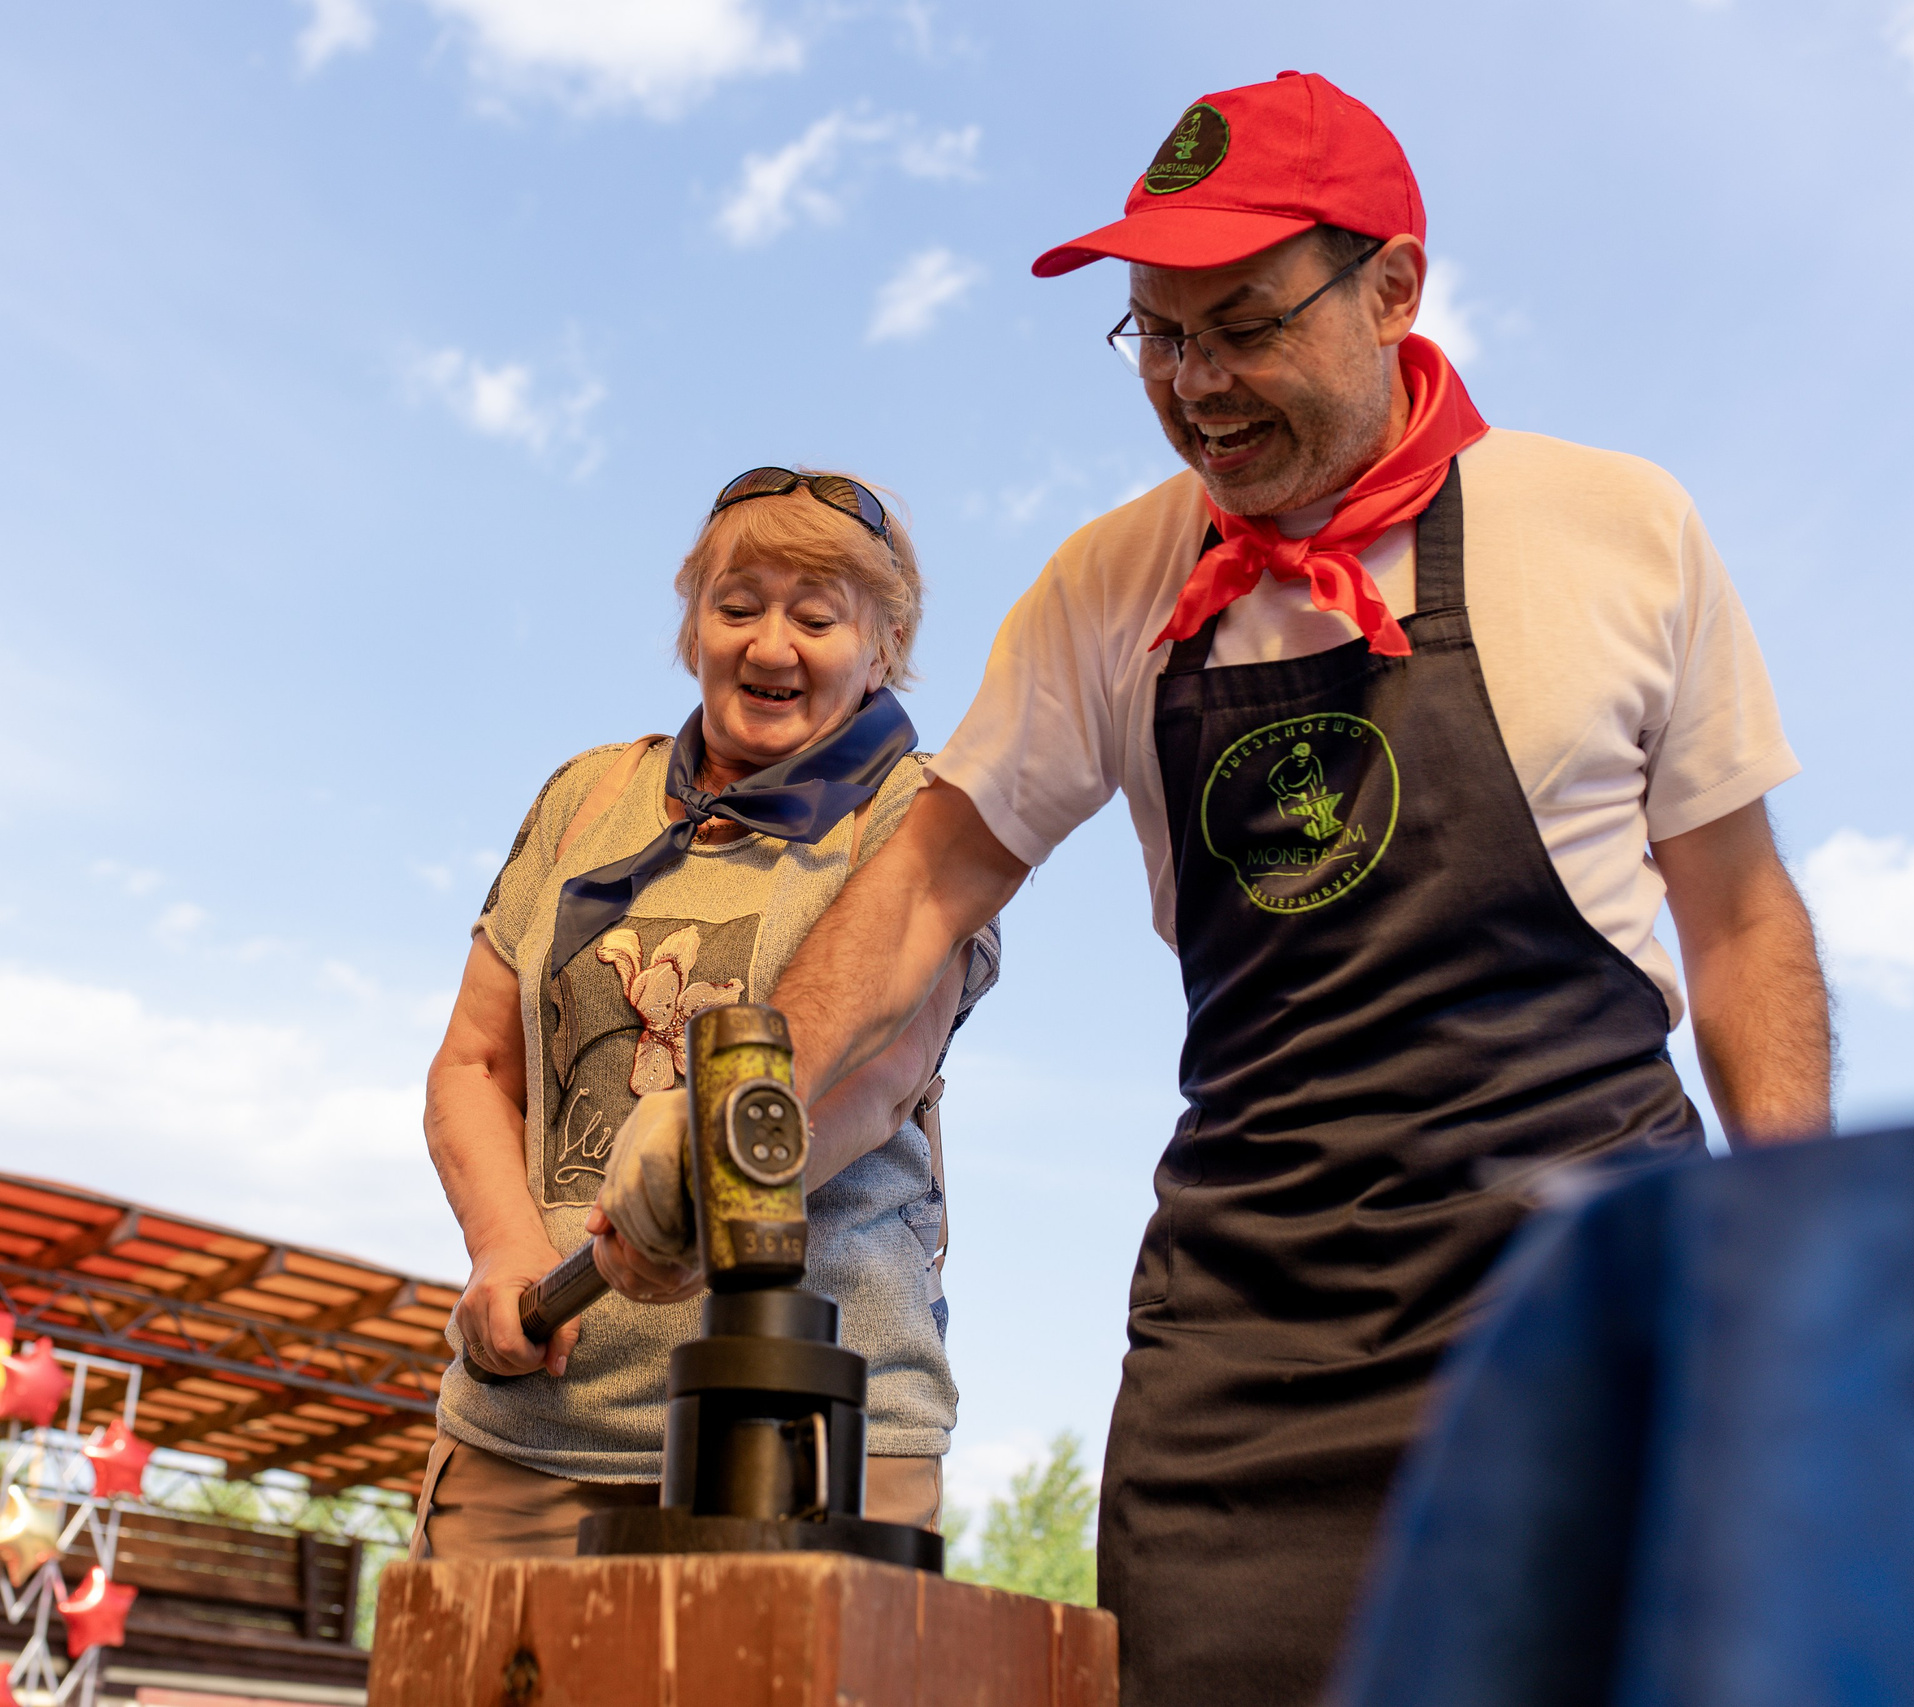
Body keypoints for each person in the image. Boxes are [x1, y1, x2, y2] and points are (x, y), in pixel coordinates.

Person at [740, 71, 1832, 1707]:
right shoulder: (1113, 583)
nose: (1195, 386)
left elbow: (1740, 921)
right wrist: (738, 1103)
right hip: (1249, 1366)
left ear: (1394, 282)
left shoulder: (1615, 529)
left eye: (1241, 325)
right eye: (1156, 336)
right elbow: (919, 889)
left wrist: (1803, 1252)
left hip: (1591, 1312)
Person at [415, 467, 1000, 1559]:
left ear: (884, 644)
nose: (769, 646)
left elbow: (874, 1076)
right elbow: (471, 1068)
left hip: (811, 1442)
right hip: (535, 1427)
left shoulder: (924, 817)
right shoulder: (586, 794)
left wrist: (704, 1197)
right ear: (693, 626)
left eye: (816, 617)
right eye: (737, 606)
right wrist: (501, 1258)